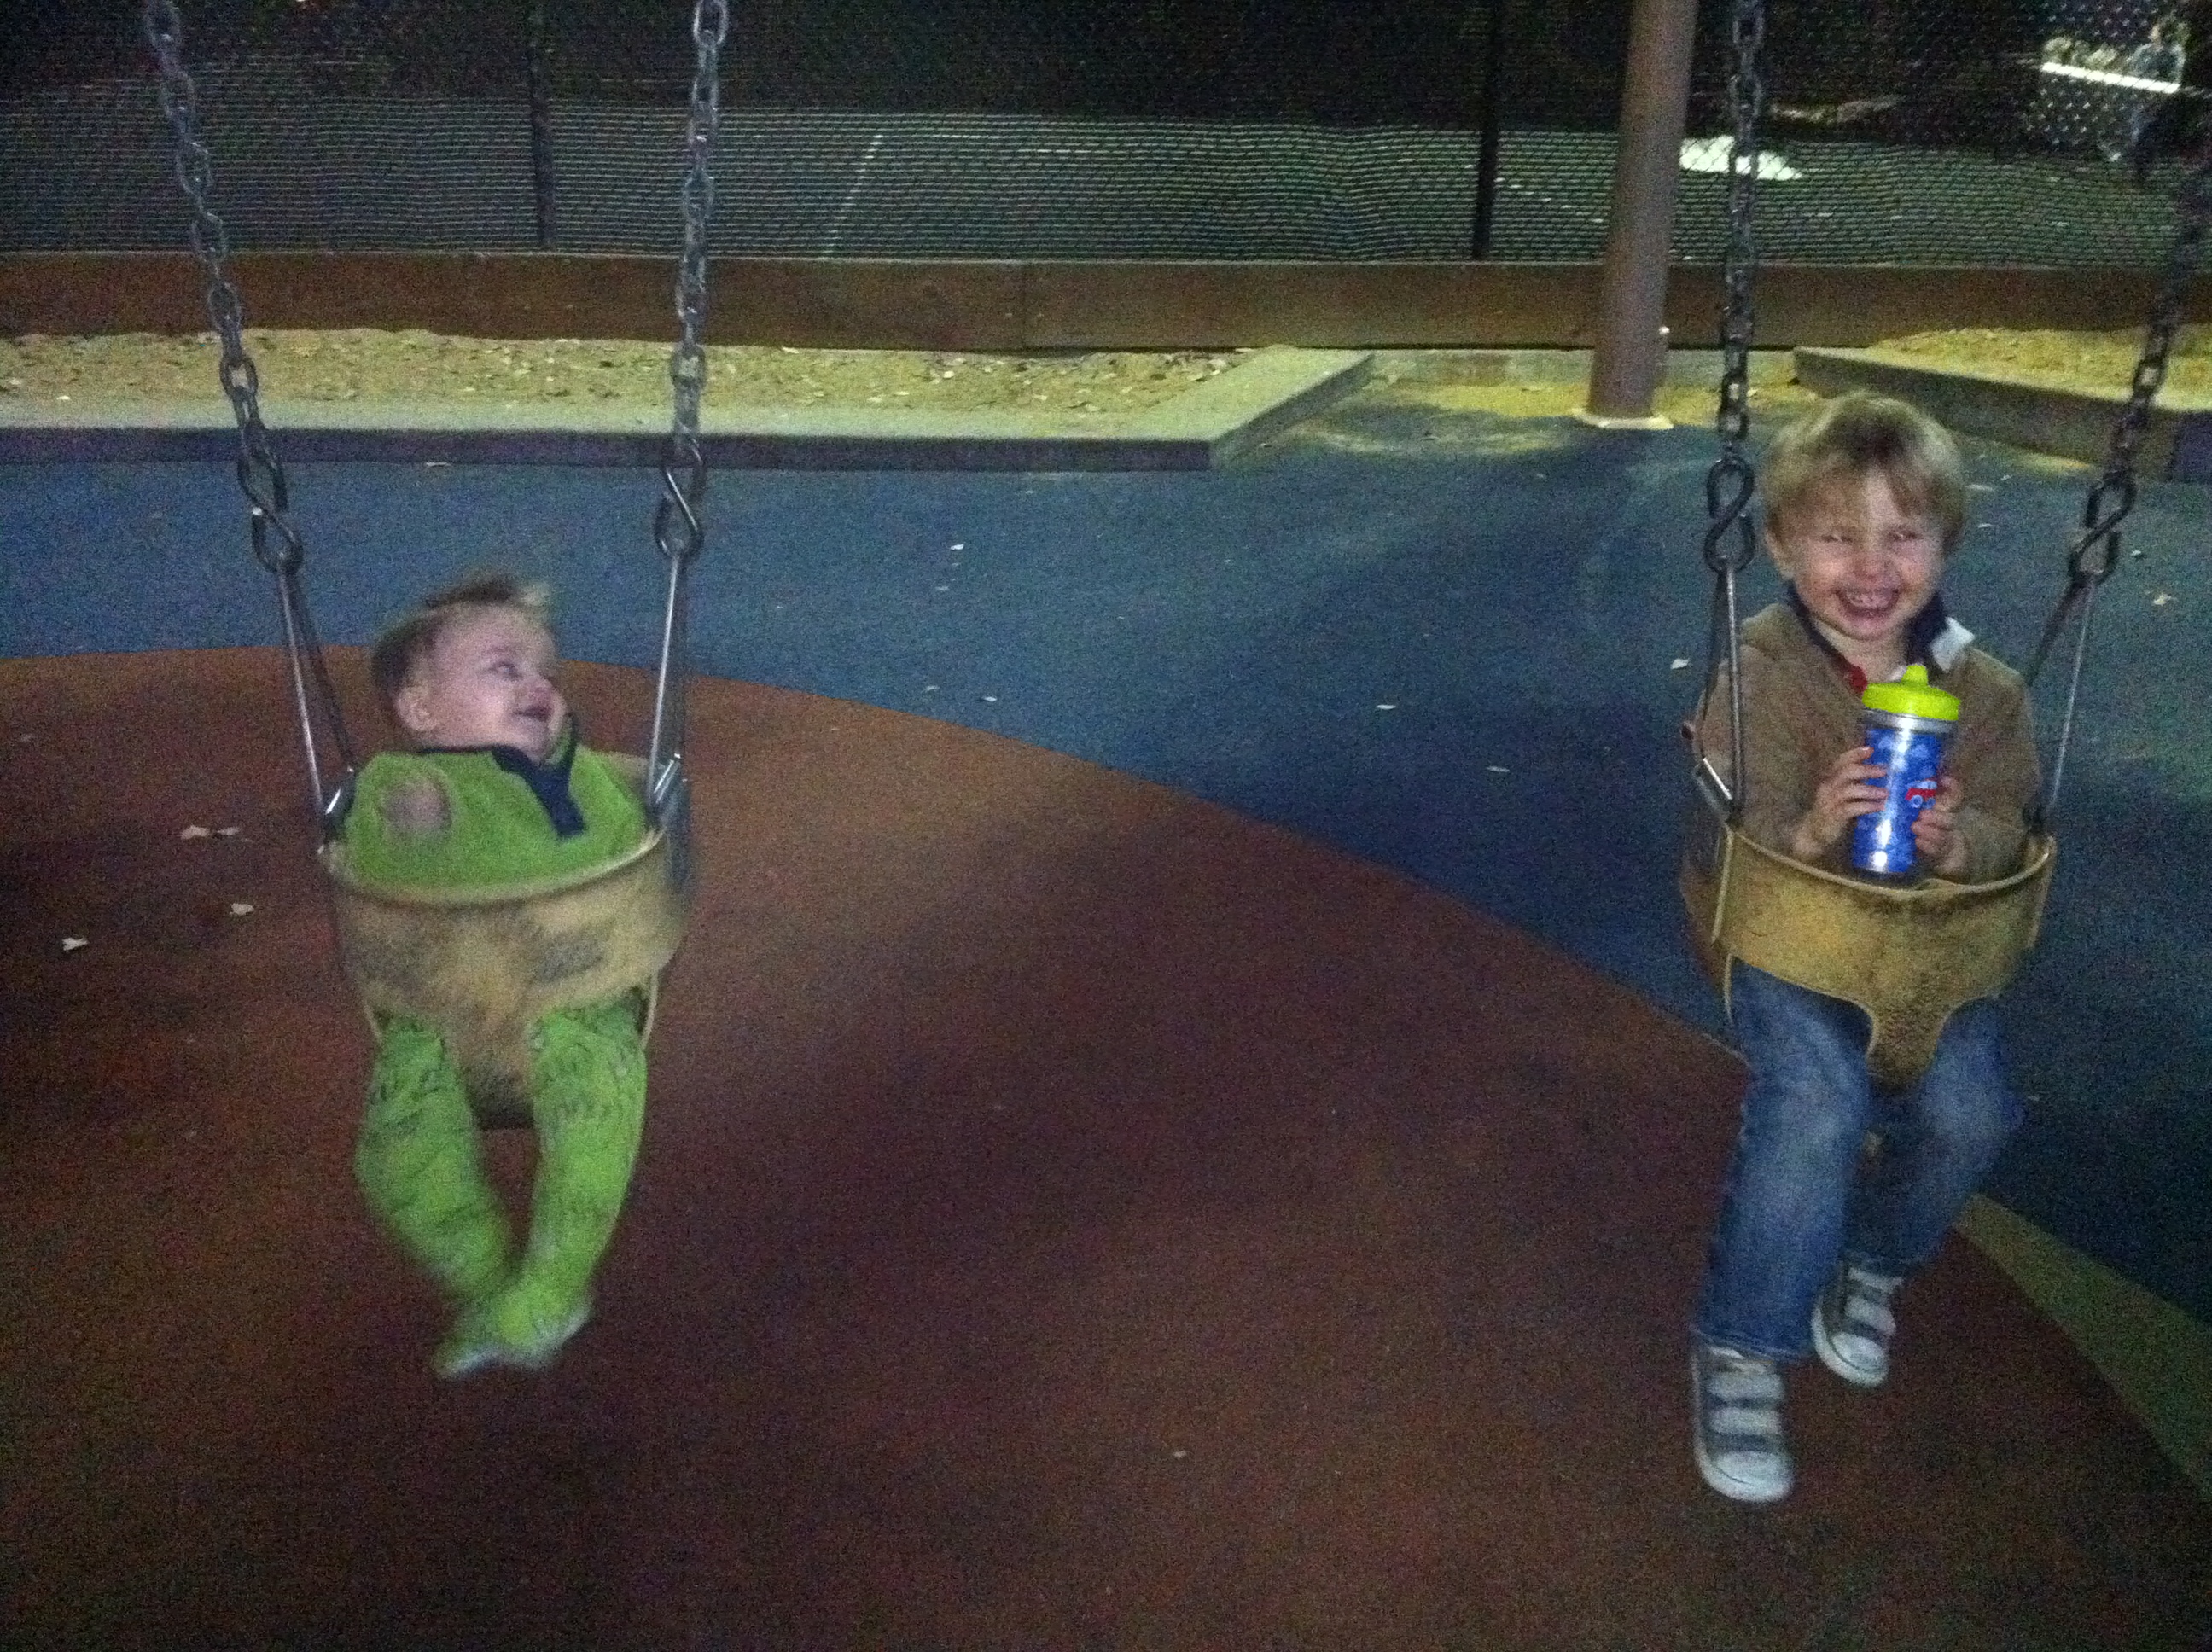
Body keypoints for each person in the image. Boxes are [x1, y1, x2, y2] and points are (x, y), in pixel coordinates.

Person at [1684, 393, 2041, 1502]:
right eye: (1839, 536)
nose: (1873, 567)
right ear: (1783, 546)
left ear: (1945, 545)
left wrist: (1960, 844)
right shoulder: (1760, 673)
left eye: (1904, 535)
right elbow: (1736, 816)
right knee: (1819, 1105)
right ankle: (1743, 1344)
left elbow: (2013, 820)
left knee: (1975, 1110)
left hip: (1928, 946)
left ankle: (1873, 1260)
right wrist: (1806, 827)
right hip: (1792, 936)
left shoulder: (1985, 693)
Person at [347, 573, 652, 1379]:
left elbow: (630, 843)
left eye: (547, 671)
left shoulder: (585, 774)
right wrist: (413, 818)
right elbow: (385, 836)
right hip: (440, 1018)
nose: (537, 686)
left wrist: (638, 810)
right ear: (422, 711)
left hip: (577, 1001)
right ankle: (488, 1283)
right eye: (503, 669)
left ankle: (551, 1288)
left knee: (600, 1120)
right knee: (396, 1155)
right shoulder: (411, 783)